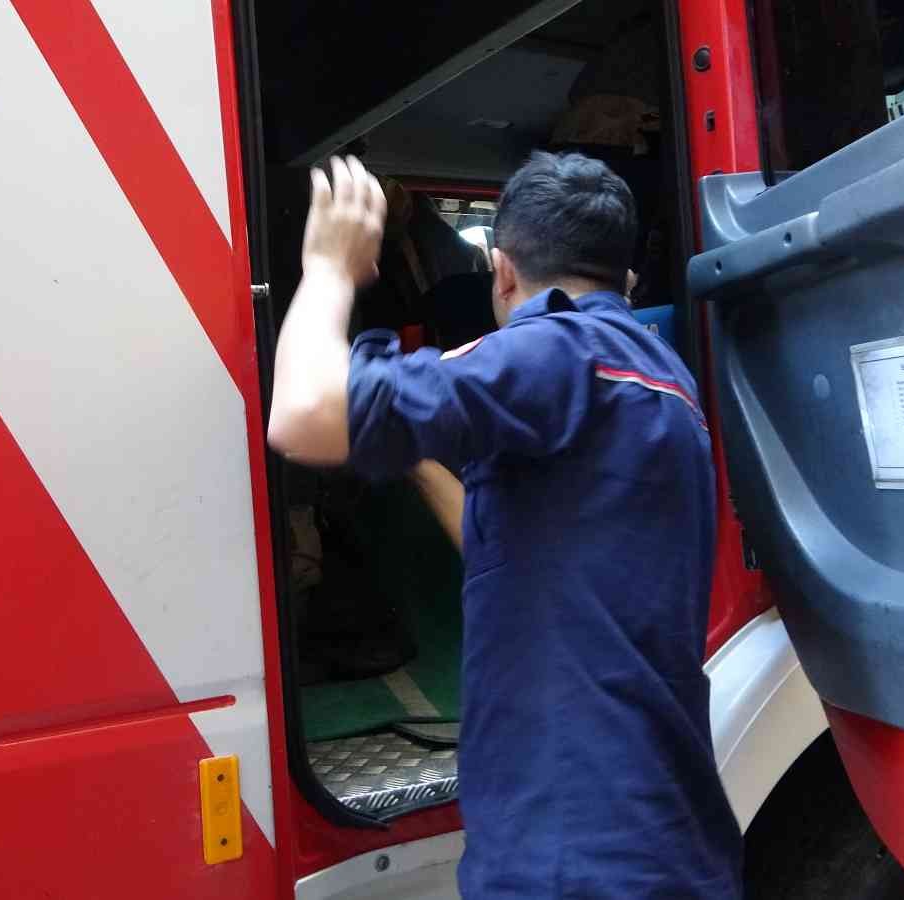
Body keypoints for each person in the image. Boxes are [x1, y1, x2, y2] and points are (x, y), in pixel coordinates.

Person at [267, 151, 741, 898]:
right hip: (664, 837)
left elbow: (302, 416)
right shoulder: (657, 378)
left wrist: (328, 269)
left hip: (570, 856)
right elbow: (516, 549)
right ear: (626, 281)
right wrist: (419, 456)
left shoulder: (553, 353)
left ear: (502, 272)